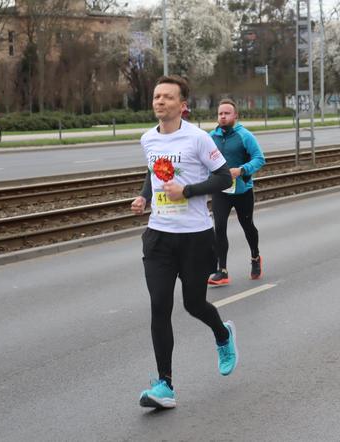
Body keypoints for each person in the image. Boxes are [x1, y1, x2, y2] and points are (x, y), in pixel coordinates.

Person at [131, 75, 238, 409]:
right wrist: (144, 196)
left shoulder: (198, 139)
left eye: (167, 97)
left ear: (182, 104)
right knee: (160, 306)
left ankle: (222, 334)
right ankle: (165, 385)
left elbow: (222, 177)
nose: (159, 102)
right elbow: (154, 173)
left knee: (193, 304)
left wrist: (188, 191)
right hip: (159, 236)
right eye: (156, 96)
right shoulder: (148, 139)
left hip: (195, 236)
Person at [208, 98, 266, 286]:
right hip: (220, 190)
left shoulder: (245, 136)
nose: (223, 117)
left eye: (227, 113)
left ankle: (255, 257)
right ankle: (222, 270)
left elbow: (259, 159)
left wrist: (241, 170)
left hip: (242, 190)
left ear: (235, 116)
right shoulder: (211, 137)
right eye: (220, 114)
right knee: (220, 228)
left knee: (247, 226)